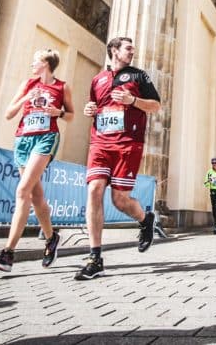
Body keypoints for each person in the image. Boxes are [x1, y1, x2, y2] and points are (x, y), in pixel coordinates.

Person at [74, 36, 161, 280]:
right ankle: (95, 257)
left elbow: (155, 106)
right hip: (101, 142)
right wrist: (88, 109)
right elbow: (94, 106)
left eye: (133, 48)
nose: (132, 52)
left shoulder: (139, 76)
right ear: (114, 50)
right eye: (128, 48)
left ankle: (145, 220)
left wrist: (133, 100)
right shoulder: (98, 79)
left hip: (127, 143)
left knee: (120, 200)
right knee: (94, 190)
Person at [0, 49, 75, 272]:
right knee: (35, 195)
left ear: (46, 64)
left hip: (46, 138)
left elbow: (71, 115)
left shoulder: (61, 86)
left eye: (36, 61)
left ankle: (8, 253)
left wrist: (58, 113)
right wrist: (26, 97)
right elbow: (8, 114)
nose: (32, 64)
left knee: (22, 191)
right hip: (23, 139)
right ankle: (52, 238)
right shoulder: (27, 84)